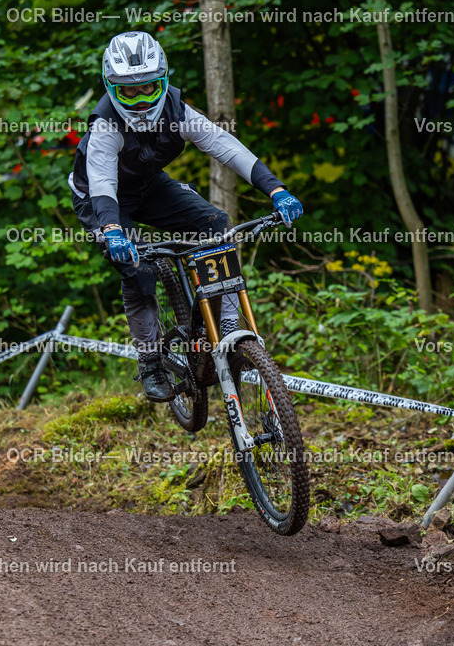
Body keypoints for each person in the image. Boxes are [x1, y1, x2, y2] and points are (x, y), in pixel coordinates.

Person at [68, 31, 303, 403]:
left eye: (149, 88)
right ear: (111, 88)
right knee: (137, 269)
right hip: (101, 201)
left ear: (164, 81)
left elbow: (226, 147)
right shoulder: (105, 127)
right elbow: (102, 184)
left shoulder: (178, 111)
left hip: (148, 186)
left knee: (216, 224)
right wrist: (113, 231)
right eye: (129, 92)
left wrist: (276, 189)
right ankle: (150, 363)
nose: (142, 101)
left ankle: (227, 326)